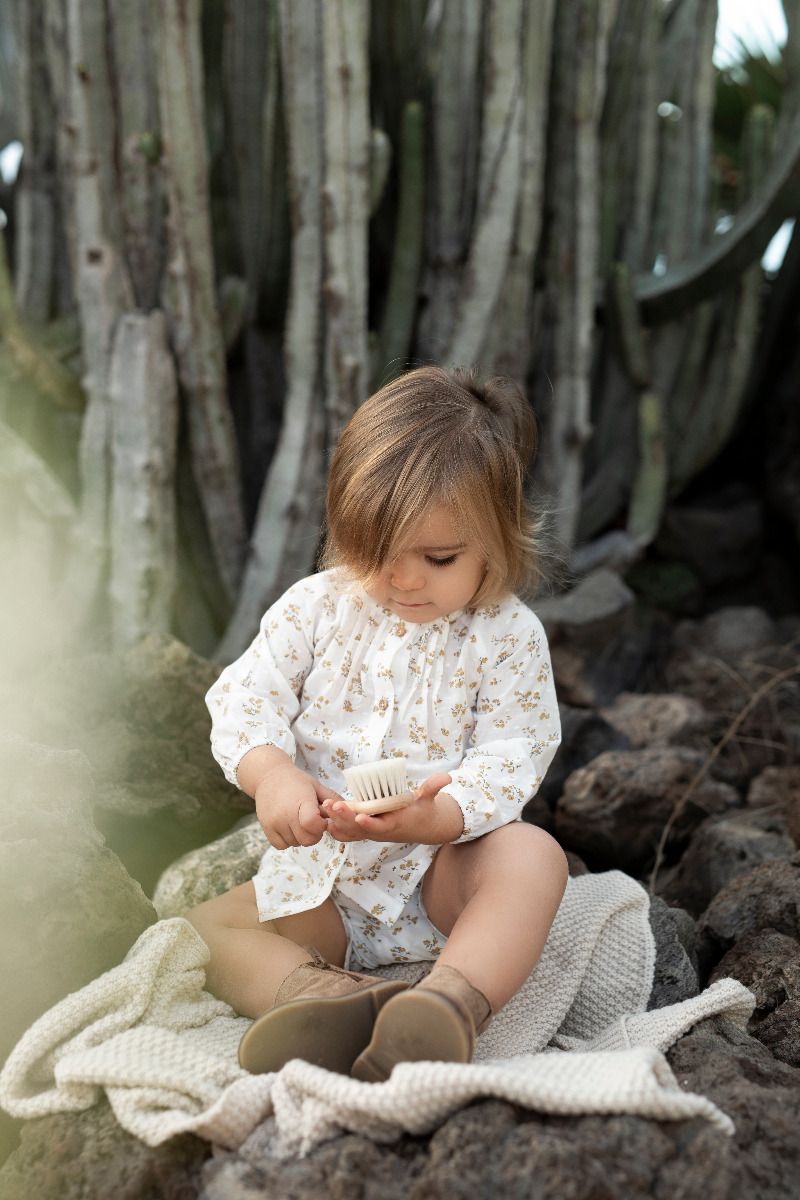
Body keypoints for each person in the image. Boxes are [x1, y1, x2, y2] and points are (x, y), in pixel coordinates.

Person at [189, 365, 567, 1082]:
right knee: (205, 931)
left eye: (438, 558)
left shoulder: (506, 635)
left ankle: (449, 1004)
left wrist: (436, 818)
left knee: (534, 858)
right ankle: (331, 1002)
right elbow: (246, 699)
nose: (405, 579)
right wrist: (272, 775)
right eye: (378, 554)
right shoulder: (316, 609)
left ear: (497, 538)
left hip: (443, 876)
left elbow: (516, 752)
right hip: (325, 882)